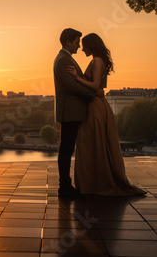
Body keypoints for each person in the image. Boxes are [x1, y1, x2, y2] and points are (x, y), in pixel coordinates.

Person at [67, 33, 146, 196]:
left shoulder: (96, 61)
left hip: (94, 106)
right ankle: (97, 181)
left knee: (90, 143)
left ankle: (93, 183)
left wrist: (76, 78)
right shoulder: (99, 60)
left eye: (84, 46)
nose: (82, 49)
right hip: (98, 105)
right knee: (97, 143)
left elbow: (95, 85)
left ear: (91, 45)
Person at [53, 28, 102, 198]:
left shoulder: (64, 59)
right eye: (76, 42)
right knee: (66, 149)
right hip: (71, 112)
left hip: (71, 111)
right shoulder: (64, 60)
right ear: (68, 42)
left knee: (66, 149)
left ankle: (65, 186)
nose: (79, 46)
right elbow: (71, 86)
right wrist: (93, 94)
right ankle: (64, 187)